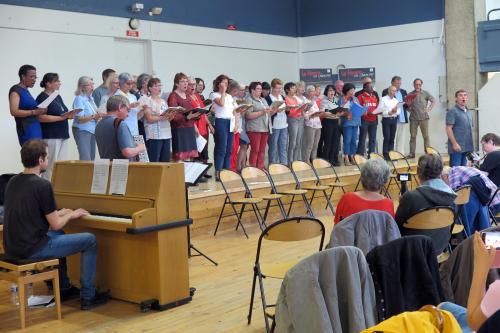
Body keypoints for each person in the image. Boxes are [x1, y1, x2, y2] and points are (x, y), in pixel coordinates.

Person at [2, 139, 109, 310]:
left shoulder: (13, 181)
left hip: (13, 247)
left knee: (59, 236)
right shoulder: (42, 184)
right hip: (32, 248)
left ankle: (64, 287)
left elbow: (34, 214)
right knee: (90, 240)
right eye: (47, 156)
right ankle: (89, 296)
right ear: (40, 160)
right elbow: (56, 224)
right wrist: (72, 214)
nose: (48, 159)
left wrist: (60, 213)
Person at [438, 232, 500, 332]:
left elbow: (474, 324)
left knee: (438, 313)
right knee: (444, 306)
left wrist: (480, 267)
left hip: (478, 325)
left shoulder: (497, 291)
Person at [395, 154, 457, 253]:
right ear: (441, 172)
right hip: (439, 248)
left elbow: (396, 227)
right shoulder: (451, 196)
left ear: (418, 171)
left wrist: (403, 202)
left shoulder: (411, 197)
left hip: (413, 250)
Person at [36, 73, 75, 181]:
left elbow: (62, 112)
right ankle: (46, 188)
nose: (59, 83)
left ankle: (58, 190)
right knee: (50, 165)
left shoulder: (57, 95)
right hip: (51, 135)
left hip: (62, 134)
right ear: (48, 84)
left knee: (62, 164)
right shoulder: (42, 97)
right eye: (56, 81)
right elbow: (41, 117)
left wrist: (69, 115)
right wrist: (61, 118)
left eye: (59, 81)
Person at [442, 166, 499, 235]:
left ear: (445, 176)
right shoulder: (462, 169)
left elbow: (453, 194)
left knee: (461, 206)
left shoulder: (453, 173)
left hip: (491, 205)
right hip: (492, 200)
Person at [334, 159, 394, 224]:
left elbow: (337, 228)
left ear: (362, 177)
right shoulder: (388, 204)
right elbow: (391, 231)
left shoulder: (347, 199)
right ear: (385, 181)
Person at [95, 95, 145, 160]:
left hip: (106, 166)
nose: (128, 114)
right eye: (128, 110)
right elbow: (127, 152)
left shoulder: (99, 124)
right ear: (120, 107)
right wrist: (140, 147)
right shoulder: (119, 123)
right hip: (121, 167)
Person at [9, 64, 46, 146]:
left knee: (38, 154)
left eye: (35, 77)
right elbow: (14, 111)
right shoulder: (15, 90)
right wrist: (34, 112)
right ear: (23, 76)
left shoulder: (26, 91)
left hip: (35, 127)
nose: (34, 80)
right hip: (26, 129)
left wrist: (41, 110)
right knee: (31, 154)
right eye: (31, 77)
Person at [167, 73, 200, 162]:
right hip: (179, 129)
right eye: (182, 81)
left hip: (189, 128)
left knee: (188, 156)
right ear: (176, 84)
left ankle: (187, 176)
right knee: (180, 158)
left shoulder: (188, 95)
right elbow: (173, 115)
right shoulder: (173, 96)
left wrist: (196, 118)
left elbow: (191, 112)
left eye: (186, 81)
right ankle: (180, 176)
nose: (185, 84)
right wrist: (187, 117)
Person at [139, 78, 173, 162]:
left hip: (166, 133)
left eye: (159, 85)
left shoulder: (163, 101)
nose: (158, 87)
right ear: (150, 88)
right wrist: (162, 117)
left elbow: (168, 119)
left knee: (165, 159)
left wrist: (171, 115)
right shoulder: (147, 100)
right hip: (154, 134)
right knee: (154, 160)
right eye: (156, 86)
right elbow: (149, 118)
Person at [210, 74, 236, 179]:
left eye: (226, 83)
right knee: (221, 147)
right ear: (218, 83)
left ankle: (227, 170)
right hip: (220, 121)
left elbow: (233, 110)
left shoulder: (229, 96)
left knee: (229, 148)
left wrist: (236, 123)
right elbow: (221, 103)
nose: (225, 84)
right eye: (223, 82)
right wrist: (223, 91)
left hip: (230, 122)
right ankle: (218, 171)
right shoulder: (214, 94)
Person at [245, 82, 274, 169]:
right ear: (252, 90)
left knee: (262, 150)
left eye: (261, 89)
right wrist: (262, 112)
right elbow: (248, 115)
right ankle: (253, 168)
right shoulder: (249, 100)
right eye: (258, 89)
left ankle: (260, 167)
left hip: (265, 128)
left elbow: (268, 114)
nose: (260, 90)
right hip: (254, 129)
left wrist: (274, 109)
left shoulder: (263, 99)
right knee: (255, 150)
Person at [406, 78, 436, 159]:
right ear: (413, 84)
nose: (418, 86)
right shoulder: (410, 94)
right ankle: (412, 154)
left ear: (421, 85)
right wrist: (409, 108)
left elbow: (433, 101)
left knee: (426, 136)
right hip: (413, 119)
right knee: (413, 136)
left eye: (419, 84)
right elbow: (406, 106)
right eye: (416, 84)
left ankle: (427, 153)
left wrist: (429, 109)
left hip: (424, 118)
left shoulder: (425, 93)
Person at [72, 76, 100, 161]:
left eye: (92, 84)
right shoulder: (79, 99)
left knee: (92, 157)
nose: (92, 87)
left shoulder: (90, 99)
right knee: (85, 158)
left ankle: (90, 174)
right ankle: (84, 174)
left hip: (92, 130)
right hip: (82, 130)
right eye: (89, 85)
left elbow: (95, 113)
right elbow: (80, 119)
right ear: (82, 87)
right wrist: (94, 116)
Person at [446, 90, 474, 167]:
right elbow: (448, 129)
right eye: (460, 95)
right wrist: (454, 144)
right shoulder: (452, 111)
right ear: (456, 98)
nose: (463, 97)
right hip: (457, 148)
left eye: (465, 95)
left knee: (464, 171)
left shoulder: (468, 111)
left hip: (467, 147)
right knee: (456, 171)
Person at [339, 83, 364, 166]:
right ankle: (346, 157)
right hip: (347, 123)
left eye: (354, 90)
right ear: (346, 91)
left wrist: (363, 110)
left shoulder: (355, 98)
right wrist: (346, 112)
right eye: (351, 90)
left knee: (354, 141)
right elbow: (339, 111)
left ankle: (352, 156)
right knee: (347, 140)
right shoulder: (342, 99)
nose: (353, 92)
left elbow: (359, 108)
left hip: (356, 121)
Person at [383, 76, 408, 155]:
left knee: (401, 137)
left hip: (402, 117)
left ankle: (400, 153)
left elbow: (405, 105)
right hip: (392, 117)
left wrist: (408, 103)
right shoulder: (386, 91)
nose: (399, 85)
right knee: (391, 138)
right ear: (392, 83)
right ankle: (391, 153)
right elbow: (385, 104)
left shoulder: (403, 91)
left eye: (400, 83)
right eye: (397, 83)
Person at [319, 84, 343, 166]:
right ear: (326, 92)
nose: (332, 92)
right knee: (328, 142)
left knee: (335, 142)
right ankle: (326, 160)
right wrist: (333, 113)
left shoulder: (335, 100)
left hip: (335, 122)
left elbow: (337, 113)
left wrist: (339, 113)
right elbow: (323, 113)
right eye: (330, 90)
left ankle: (333, 159)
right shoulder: (324, 101)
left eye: (333, 90)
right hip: (327, 123)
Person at [374, 85, 400, 160]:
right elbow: (380, 110)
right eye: (392, 90)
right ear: (388, 91)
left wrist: (395, 112)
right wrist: (389, 113)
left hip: (394, 120)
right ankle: (385, 154)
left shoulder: (396, 100)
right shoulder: (383, 99)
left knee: (392, 138)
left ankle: (391, 153)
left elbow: (399, 111)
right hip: (386, 120)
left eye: (395, 91)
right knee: (387, 137)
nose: (393, 92)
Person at [267, 78, 288, 165]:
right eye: (278, 88)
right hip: (274, 125)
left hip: (284, 125)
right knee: (273, 147)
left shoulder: (282, 97)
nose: (279, 90)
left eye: (281, 88)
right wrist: (276, 110)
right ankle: (273, 165)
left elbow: (285, 110)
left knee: (283, 146)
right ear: (272, 88)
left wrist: (287, 108)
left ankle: (284, 164)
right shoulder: (268, 98)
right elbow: (268, 114)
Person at [356, 80, 379, 157]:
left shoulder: (374, 96)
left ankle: (371, 155)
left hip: (374, 120)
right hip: (364, 120)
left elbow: (377, 107)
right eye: (370, 87)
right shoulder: (360, 97)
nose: (372, 88)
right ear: (365, 88)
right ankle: (360, 156)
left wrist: (379, 111)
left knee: (372, 139)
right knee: (362, 139)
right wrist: (367, 112)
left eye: (372, 86)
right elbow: (359, 109)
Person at [116, 72, 143, 137]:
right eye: (128, 83)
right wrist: (129, 106)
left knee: (140, 147)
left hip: (136, 130)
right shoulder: (116, 96)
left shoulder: (133, 96)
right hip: (124, 130)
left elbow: (137, 117)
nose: (131, 86)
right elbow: (116, 114)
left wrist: (143, 110)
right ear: (121, 83)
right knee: (128, 147)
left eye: (132, 83)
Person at [285, 81, 306, 163]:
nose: (295, 89)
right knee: (292, 142)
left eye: (294, 88)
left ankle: (296, 160)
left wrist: (303, 108)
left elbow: (297, 110)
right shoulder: (286, 99)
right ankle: (290, 161)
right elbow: (289, 113)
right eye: (293, 88)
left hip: (300, 119)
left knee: (298, 142)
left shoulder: (294, 98)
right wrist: (299, 109)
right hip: (292, 120)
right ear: (288, 90)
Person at [302, 85, 324, 163]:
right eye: (311, 91)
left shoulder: (314, 101)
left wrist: (320, 112)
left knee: (316, 144)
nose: (313, 92)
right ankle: (307, 160)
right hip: (310, 124)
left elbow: (317, 111)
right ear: (307, 92)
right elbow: (304, 114)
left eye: (314, 91)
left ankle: (313, 159)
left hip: (318, 124)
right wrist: (311, 115)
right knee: (309, 144)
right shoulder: (304, 101)